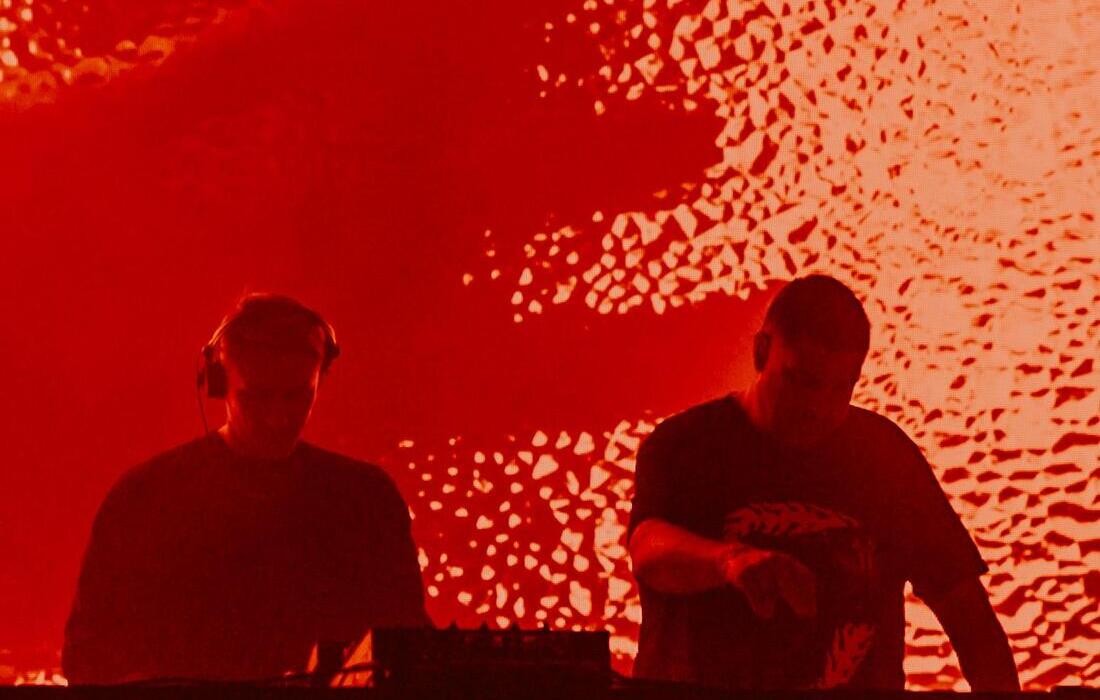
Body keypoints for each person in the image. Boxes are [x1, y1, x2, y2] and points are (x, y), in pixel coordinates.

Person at [627, 274, 1019, 691]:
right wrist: (728, 562)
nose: (817, 407)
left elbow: (969, 618)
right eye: (802, 381)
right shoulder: (687, 444)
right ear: (762, 352)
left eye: (840, 388)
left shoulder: (885, 459)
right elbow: (648, 548)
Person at [63, 293, 429, 685]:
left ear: (320, 381)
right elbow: (89, 658)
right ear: (219, 381)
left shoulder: (366, 501)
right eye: (256, 397)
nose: (278, 417)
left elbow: (409, 646)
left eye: (296, 396)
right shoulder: (145, 500)